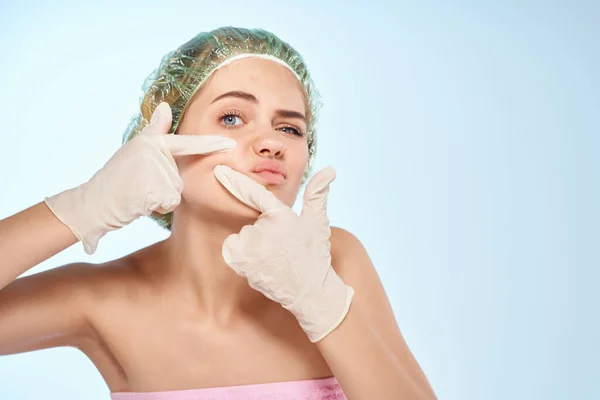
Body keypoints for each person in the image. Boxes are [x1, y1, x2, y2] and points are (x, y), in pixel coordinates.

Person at [0, 27, 437, 399]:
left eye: (289, 127)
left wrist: (323, 307)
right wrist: (80, 208)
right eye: (231, 117)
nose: (271, 143)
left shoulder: (335, 261)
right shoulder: (101, 300)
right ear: (163, 138)